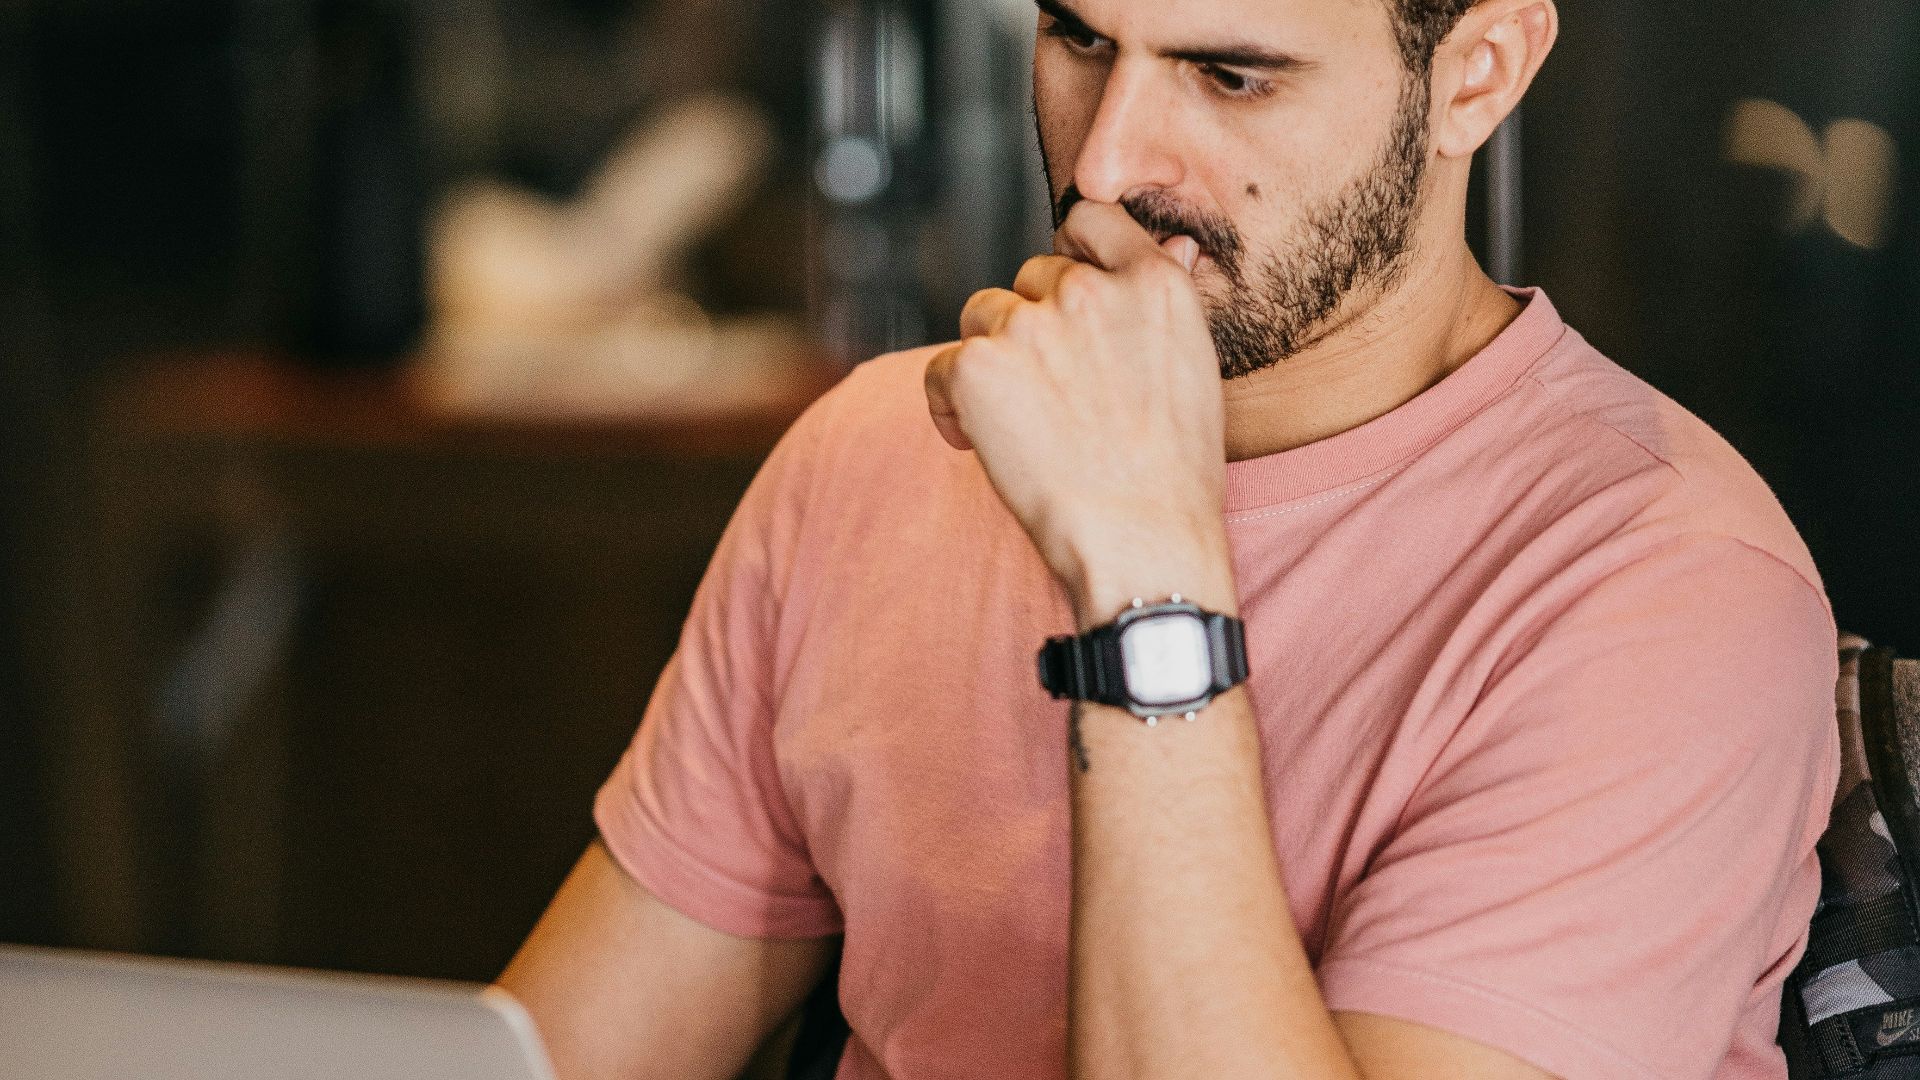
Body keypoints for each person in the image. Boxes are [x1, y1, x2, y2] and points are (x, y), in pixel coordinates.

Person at [497, 0, 1841, 1075]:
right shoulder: (873, 455)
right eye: (1079, 37)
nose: (1105, 162)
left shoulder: (1667, 588)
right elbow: (575, 1052)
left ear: (1476, 75)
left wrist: (1143, 577)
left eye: (1233, 75)